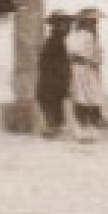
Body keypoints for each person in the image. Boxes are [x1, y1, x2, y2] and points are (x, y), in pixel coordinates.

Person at [67, 8, 107, 141]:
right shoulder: (79, 36)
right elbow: (74, 54)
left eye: (95, 22)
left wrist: (96, 59)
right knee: (82, 98)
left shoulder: (91, 36)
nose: (94, 25)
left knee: (89, 98)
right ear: (84, 23)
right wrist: (89, 59)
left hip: (89, 70)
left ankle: (88, 129)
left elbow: (97, 54)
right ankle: (82, 130)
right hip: (80, 70)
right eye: (92, 22)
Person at [36, 10, 72, 139]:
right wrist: (63, 80)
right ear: (57, 25)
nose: (68, 27)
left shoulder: (58, 41)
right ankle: (52, 128)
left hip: (54, 81)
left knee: (54, 104)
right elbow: (52, 64)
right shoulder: (55, 42)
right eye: (65, 24)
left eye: (68, 24)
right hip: (51, 81)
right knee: (51, 103)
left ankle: (54, 128)